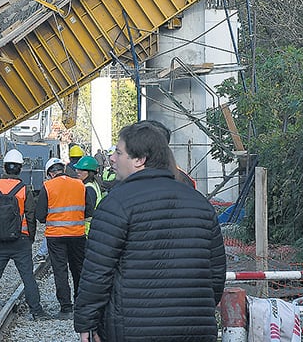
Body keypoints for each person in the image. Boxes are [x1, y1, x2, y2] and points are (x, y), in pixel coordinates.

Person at [73, 121, 226, 341]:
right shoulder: (200, 203)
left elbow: (97, 272)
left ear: (139, 159)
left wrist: (86, 323)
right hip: (195, 329)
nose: (112, 159)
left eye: (118, 152)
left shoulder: (116, 204)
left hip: (132, 329)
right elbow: (216, 273)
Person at [0, 149, 50, 322]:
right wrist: (30, 238)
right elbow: (31, 216)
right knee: (27, 277)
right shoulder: (24, 190)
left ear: (4, 167)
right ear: (19, 169)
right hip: (21, 240)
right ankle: (36, 312)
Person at [36, 155, 95, 318]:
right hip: (77, 235)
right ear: (63, 170)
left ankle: (66, 308)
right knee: (78, 269)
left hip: (56, 237)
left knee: (60, 271)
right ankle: (81, 303)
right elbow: (89, 211)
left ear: (50, 173)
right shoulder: (79, 185)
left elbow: (40, 215)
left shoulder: (47, 186)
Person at [73, 156, 105, 234]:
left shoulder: (89, 188)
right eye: (77, 169)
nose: (77, 171)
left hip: (88, 229)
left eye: (81, 170)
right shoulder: (94, 183)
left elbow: (88, 211)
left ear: (89, 172)